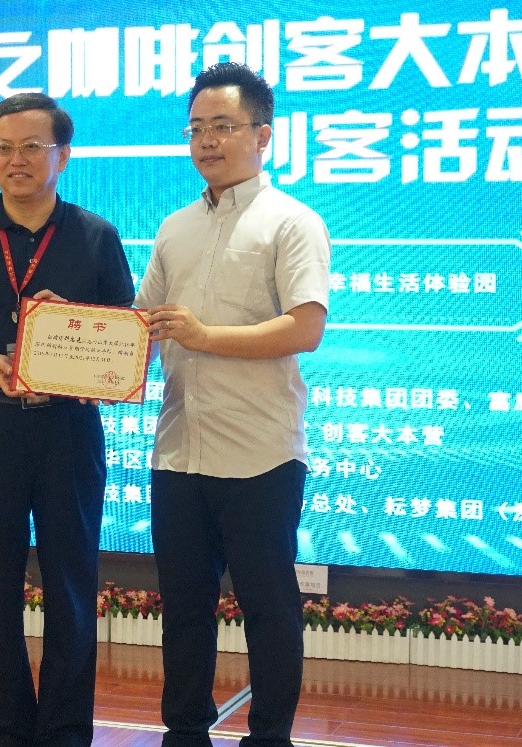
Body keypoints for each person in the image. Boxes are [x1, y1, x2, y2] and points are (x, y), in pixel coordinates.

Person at [0, 92, 134, 747]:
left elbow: (124, 335)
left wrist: (79, 341)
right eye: (3, 148)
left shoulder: (95, 236)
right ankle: (1, 730)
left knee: (71, 583)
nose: (16, 160)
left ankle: (65, 731)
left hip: (68, 430)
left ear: (62, 155)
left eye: (32, 146)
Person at [134, 63, 331, 747]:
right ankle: (184, 731)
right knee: (184, 608)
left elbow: (304, 328)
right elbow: (140, 326)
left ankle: (268, 736)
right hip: (178, 451)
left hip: (261, 454)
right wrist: (67, 338)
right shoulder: (175, 227)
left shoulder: (292, 222)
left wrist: (203, 336)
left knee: (268, 608)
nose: (206, 141)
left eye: (222, 126)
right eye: (196, 129)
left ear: (262, 135)